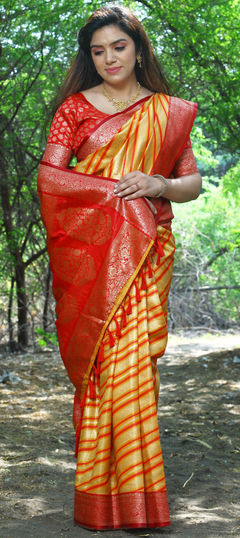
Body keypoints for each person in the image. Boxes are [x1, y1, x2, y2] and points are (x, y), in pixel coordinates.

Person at [38, 4, 202, 530]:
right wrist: (116, 192)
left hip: (144, 259)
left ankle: (137, 503)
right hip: (94, 264)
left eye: (119, 46)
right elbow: (50, 180)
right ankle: (101, 501)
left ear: (139, 48)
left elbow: (191, 184)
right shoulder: (74, 110)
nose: (109, 58)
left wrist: (156, 185)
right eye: (98, 50)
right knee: (105, 373)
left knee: (135, 374)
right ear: (90, 56)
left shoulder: (167, 111)